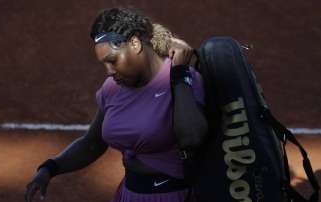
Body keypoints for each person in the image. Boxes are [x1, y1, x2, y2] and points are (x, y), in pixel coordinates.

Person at [24, 7, 208, 202]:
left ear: (135, 44)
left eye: (113, 61)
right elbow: (92, 143)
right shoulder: (112, 88)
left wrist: (180, 76)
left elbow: (192, 137)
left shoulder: (183, 79)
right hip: (129, 194)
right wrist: (49, 168)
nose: (109, 71)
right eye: (104, 64)